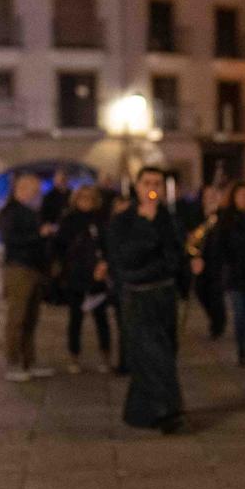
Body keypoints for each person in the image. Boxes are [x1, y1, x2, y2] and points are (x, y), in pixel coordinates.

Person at [105, 165, 185, 432]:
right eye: (147, 182)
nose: (152, 188)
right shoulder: (123, 221)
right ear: (137, 187)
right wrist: (146, 226)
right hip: (137, 296)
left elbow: (175, 254)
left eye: (158, 183)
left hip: (163, 295)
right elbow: (125, 257)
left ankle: (141, 412)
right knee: (151, 354)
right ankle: (167, 412)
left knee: (164, 352)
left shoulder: (170, 218)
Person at [0, 173, 53, 381]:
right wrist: (39, 235)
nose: (38, 194)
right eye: (35, 190)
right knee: (17, 317)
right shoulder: (10, 212)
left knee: (31, 318)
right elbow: (11, 239)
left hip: (33, 267)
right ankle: (13, 362)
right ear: (22, 190)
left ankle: (29, 360)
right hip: (19, 268)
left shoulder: (30, 211)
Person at [57, 183, 113, 372]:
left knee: (101, 318)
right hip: (76, 275)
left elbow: (108, 245)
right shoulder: (69, 220)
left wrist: (105, 264)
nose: (86, 201)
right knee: (75, 318)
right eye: (82, 198)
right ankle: (74, 356)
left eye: (90, 198)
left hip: (97, 274)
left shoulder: (101, 219)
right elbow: (61, 247)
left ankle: (106, 355)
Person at [211, 181, 245, 368]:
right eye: (241, 195)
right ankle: (242, 351)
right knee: (240, 316)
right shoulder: (226, 220)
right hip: (235, 276)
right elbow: (219, 249)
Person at [186, 180, 229, 341]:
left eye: (214, 195)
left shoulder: (223, 215)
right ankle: (214, 318)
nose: (211, 198)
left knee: (215, 294)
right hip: (200, 261)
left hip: (217, 262)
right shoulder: (196, 215)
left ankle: (218, 324)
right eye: (207, 195)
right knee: (201, 292)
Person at [38, 167, 74, 232]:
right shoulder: (49, 196)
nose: (61, 181)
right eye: (58, 178)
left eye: (63, 178)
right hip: (54, 228)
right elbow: (44, 214)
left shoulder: (72, 194)